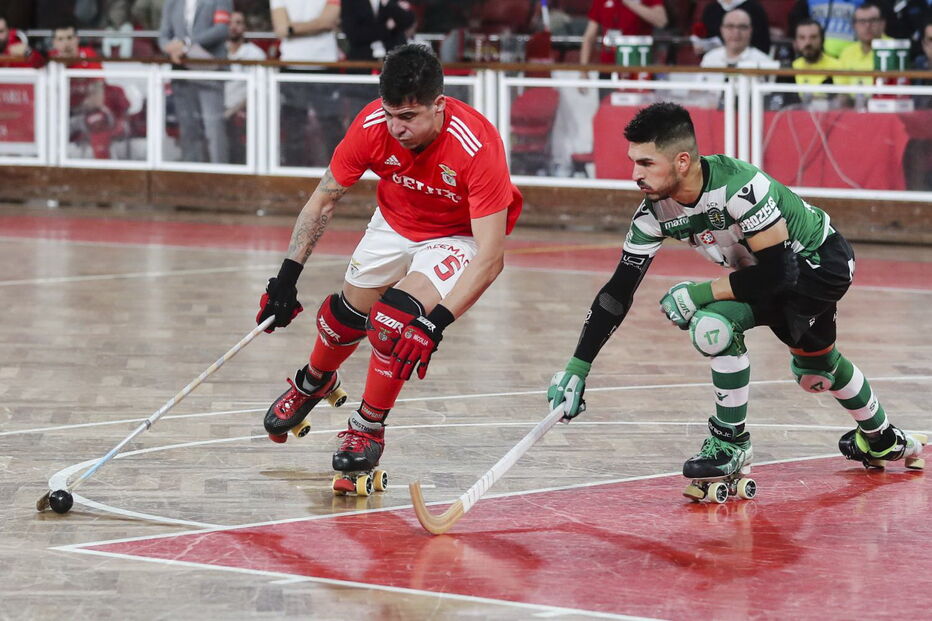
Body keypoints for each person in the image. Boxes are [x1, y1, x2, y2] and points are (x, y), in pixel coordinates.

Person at [548, 102, 926, 501]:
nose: (635, 174)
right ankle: (882, 438)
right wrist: (578, 366)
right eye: (633, 162)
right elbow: (617, 290)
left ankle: (731, 442)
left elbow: (780, 274)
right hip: (770, 276)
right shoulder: (653, 213)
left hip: (818, 266)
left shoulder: (739, 186)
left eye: (645, 163)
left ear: (681, 161)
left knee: (713, 325)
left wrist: (699, 293)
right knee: (817, 369)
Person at [256, 44, 523, 493]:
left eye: (409, 117)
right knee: (342, 318)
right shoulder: (372, 125)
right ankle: (313, 382)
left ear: (439, 105)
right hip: (393, 222)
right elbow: (323, 199)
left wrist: (435, 323)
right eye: (390, 113)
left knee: (394, 323)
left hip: (455, 236)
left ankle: (368, 425)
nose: (396, 127)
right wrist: (287, 276)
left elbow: (491, 256)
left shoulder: (477, 145)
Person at [270, 0, 342, 167]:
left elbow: (328, 21)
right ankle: (293, 176)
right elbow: (281, 29)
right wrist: (317, 25)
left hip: (327, 66)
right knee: (293, 129)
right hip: (292, 67)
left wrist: (292, 28)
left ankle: (339, 174)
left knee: (331, 127)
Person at [159, 0, 231, 163]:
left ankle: (221, 174)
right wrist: (170, 48)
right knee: (188, 127)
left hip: (210, 72)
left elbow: (221, 30)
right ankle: (191, 175)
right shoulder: (172, 3)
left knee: (214, 128)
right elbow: (163, 35)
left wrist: (186, 45)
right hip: (181, 72)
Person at [50, 23, 131, 159]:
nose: (66, 43)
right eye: (61, 39)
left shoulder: (89, 55)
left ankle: (103, 167)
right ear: (54, 43)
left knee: (96, 119)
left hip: (87, 114)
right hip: (58, 116)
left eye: (70, 38)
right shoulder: (49, 60)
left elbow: (96, 100)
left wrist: (74, 108)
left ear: (77, 39)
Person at [578, 0, 667, 78]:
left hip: (639, 69)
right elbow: (589, 37)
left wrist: (630, 3)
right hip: (608, 68)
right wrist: (583, 70)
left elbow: (661, 21)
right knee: (606, 96)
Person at [224, 10, 265, 164]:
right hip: (217, 109)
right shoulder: (216, 52)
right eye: (229, 23)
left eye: (238, 23)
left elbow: (257, 91)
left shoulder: (255, 54)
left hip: (244, 112)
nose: (233, 27)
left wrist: (232, 111)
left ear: (245, 27)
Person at [341, 0, 416, 62]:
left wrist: (388, 3)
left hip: (395, 59)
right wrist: (386, 28)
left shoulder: (393, 2)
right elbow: (354, 35)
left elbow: (408, 21)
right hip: (362, 60)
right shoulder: (350, 2)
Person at [836, 2, 887, 88]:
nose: (868, 26)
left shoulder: (895, 49)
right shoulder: (847, 53)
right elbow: (841, 90)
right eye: (862, 21)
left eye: (873, 20)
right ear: (854, 26)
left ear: (882, 24)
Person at [791, 17, 841, 104]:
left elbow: (842, 101)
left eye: (813, 37)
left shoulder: (838, 66)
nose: (808, 43)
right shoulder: (791, 68)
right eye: (802, 38)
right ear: (796, 42)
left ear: (822, 40)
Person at [695, 0, 771, 56]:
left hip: (748, 60)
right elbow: (705, 39)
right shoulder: (711, 9)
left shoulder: (754, 8)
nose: (735, 32)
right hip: (718, 59)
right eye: (729, 26)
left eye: (742, 27)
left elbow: (763, 43)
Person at [788, 0, 860, 58]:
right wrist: (794, 38)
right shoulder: (806, 2)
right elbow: (796, 20)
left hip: (851, 55)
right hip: (816, 55)